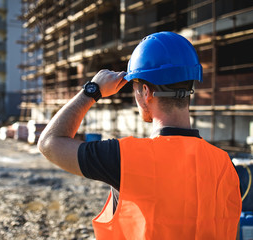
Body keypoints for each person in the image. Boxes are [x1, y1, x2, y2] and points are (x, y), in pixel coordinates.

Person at [38, 31, 242, 239]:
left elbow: (49, 142)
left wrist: (92, 90)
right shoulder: (224, 165)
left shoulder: (126, 158)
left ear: (146, 92)